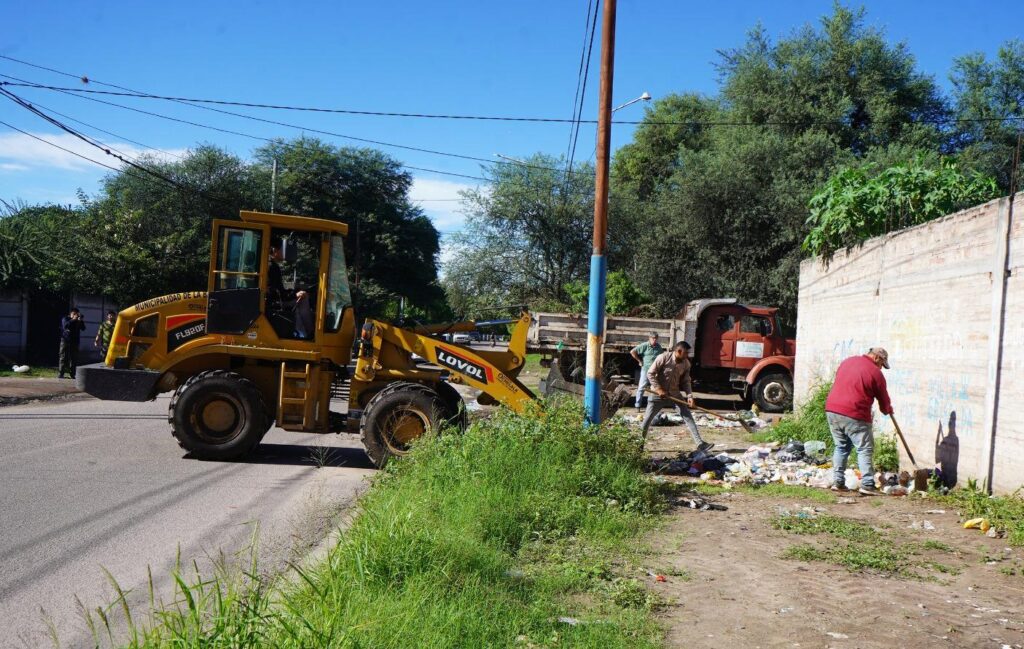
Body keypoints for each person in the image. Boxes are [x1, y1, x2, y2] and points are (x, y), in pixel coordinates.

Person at [826, 347, 894, 496]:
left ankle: (838, 482)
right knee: (864, 448)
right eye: (882, 363)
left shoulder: (848, 361)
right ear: (877, 358)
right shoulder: (876, 373)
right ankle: (868, 484)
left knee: (841, 447)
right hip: (854, 413)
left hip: (832, 410)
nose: (881, 367)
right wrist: (888, 409)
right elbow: (883, 401)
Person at [641, 341, 712, 452]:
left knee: (688, 417)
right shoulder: (663, 358)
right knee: (647, 420)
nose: (687, 355)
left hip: (675, 395)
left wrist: (689, 396)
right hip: (657, 396)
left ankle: (700, 444)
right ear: (679, 351)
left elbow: (686, 381)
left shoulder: (686, 363)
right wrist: (659, 389)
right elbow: (650, 373)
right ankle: (638, 446)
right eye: (686, 353)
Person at [268, 238, 310, 338]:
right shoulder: (272, 267)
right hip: (275, 302)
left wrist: (294, 292)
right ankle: (309, 333)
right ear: (275, 251)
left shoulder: (271, 265)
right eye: (283, 249)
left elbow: (279, 290)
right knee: (304, 299)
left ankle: (303, 333)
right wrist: (295, 294)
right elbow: (280, 294)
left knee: (301, 298)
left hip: (275, 300)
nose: (285, 253)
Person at [630, 332, 664, 409]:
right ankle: (637, 405)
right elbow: (632, 351)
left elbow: (662, 356)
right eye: (653, 338)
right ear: (649, 338)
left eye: (656, 338)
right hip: (646, 370)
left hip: (655, 371)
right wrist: (639, 361)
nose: (654, 340)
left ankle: (653, 406)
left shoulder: (658, 347)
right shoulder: (645, 345)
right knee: (641, 387)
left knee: (655, 388)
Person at [58, 307, 86, 379]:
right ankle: (61, 373)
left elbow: (83, 328)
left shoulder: (78, 321)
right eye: (74, 314)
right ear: (70, 314)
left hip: (75, 341)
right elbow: (65, 326)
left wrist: (80, 321)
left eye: (76, 314)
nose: (75, 315)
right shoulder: (65, 319)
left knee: (73, 358)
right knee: (63, 357)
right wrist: (73, 319)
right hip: (65, 340)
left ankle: (72, 374)